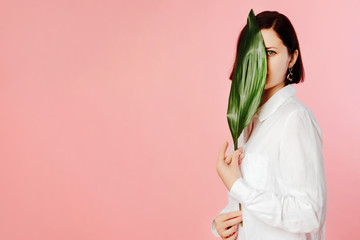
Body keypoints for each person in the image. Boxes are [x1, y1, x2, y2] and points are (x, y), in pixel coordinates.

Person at [211, 11, 327, 240]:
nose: (259, 62)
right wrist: (222, 223)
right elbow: (255, 205)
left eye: (270, 52)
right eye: (252, 53)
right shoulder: (247, 124)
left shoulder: (295, 120)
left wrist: (237, 186)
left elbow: (310, 215)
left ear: (292, 58)